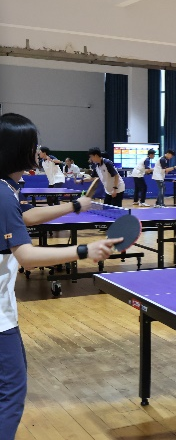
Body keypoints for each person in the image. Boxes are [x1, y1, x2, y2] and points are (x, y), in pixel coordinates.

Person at [0, 113, 121, 438]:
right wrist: (84, 250)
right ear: (18, 149)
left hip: (4, 308)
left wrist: (74, 206)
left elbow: (25, 217)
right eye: (33, 143)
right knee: (10, 393)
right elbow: (27, 258)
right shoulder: (2, 193)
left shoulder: (6, 187)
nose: (38, 149)